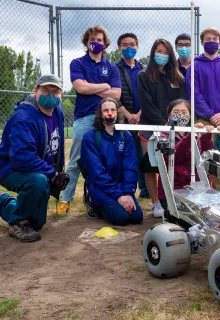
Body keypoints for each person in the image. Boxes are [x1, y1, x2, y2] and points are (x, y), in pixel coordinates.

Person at [0, 74, 65, 243]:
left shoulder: (57, 113)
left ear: (61, 94)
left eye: (55, 91)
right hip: (8, 167)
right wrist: (52, 174)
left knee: (37, 223)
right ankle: (17, 224)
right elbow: (22, 158)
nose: (50, 95)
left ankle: (2, 202)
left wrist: (57, 171)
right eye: (45, 90)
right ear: (36, 90)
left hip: (37, 169)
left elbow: (56, 147)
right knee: (37, 181)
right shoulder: (22, 118)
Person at [57, 25, 122, 214]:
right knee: (76, 160)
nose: (96, 43)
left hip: (106, 119)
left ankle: (96, 198)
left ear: (105, 43)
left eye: (100, 40)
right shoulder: (77, 63)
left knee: (103, 159)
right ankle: (65, 199)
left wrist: (90, 86)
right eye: (92, 39)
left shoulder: (111, 67)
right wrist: (104, 85)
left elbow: (116, 94)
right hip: (84, 118)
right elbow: (80, 88)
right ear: (87, 42)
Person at [138, 39, 186, 217]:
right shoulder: (143, 76)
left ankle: (173, 199)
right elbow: (146, 104)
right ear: (153, 53)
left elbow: (181, 104)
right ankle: (156, 203)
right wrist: (162, 123)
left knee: (172, 165)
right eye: (159, 51)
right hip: (149, 128)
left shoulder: (177, 77)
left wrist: (172, 125)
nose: (162, 55)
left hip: (173, 129)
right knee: (151, 165)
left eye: (165, 52)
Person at [156, 99, 220, 215]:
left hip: (197, 188)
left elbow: (205, 156)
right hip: (171, 192)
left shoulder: (194, 131)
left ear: (190, 115)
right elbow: (174, 156)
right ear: (169, 115)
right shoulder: (162, 134)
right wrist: (191, 136)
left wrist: (206, 135)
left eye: (184, 113)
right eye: (176, 112)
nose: (180, 115)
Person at [79, 97, 143, 226]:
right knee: (121, 218)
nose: (110, 113)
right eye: (106, 110)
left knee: (137, 217)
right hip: (101, 187)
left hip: (122, 186)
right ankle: (94, 204)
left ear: (117, 112)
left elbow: (130, 167)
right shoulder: (90, 138)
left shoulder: (126, 136)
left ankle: (116, 202)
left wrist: (128, 193)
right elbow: (97, 172)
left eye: (113, 109)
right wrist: (118, 196)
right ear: (100, 113)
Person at [186, 27, 220, 151]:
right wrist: (211, 115)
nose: (211, 41)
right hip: (203, 121)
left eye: (215, 39)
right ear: (202, 43)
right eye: (208, 39)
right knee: (203, 157)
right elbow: (194, 95)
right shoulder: (194, 67)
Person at [115, 32, 149, 199]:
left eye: (132, 45)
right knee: (125, 155)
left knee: (143, 155)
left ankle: (145, 190)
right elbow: (114, 97)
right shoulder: (115, 69)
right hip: (123, 119)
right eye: (125, 45)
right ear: (119, 48)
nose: (129, 48)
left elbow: (150, 95)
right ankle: (126, 189)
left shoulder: (145, 69)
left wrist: (139, 114)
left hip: (142, 119)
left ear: (137, 46)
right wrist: (128, 115)